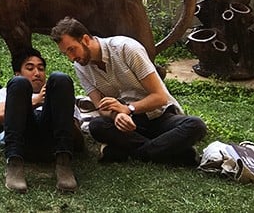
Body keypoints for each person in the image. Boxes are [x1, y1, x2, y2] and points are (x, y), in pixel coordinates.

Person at [52, 17, 207, 166]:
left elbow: (160, 98)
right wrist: (117, 114)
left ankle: (130, 153)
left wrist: (127, 109)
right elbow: (101, 107)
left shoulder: (126, 48)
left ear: (85, 39)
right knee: (97, 126)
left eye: (72, 49)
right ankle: (174, 150)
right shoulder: (81, 67)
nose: (71, 58)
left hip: (159, 115)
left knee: (196, 125)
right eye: (66, 53)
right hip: (129, 122)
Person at [0, 47, 79, 193]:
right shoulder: (8, 91)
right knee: (19, 84)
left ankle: (64, 163)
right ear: (18, 73)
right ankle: (14, 164)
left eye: (41, 69)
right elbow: (1, 115)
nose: (37, 73)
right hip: (24, 143)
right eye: (30, 68)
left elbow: (75, 131)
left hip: (52, 144)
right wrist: (35, 101)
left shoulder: (57, 93)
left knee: (60, 78)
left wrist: (56, 106)